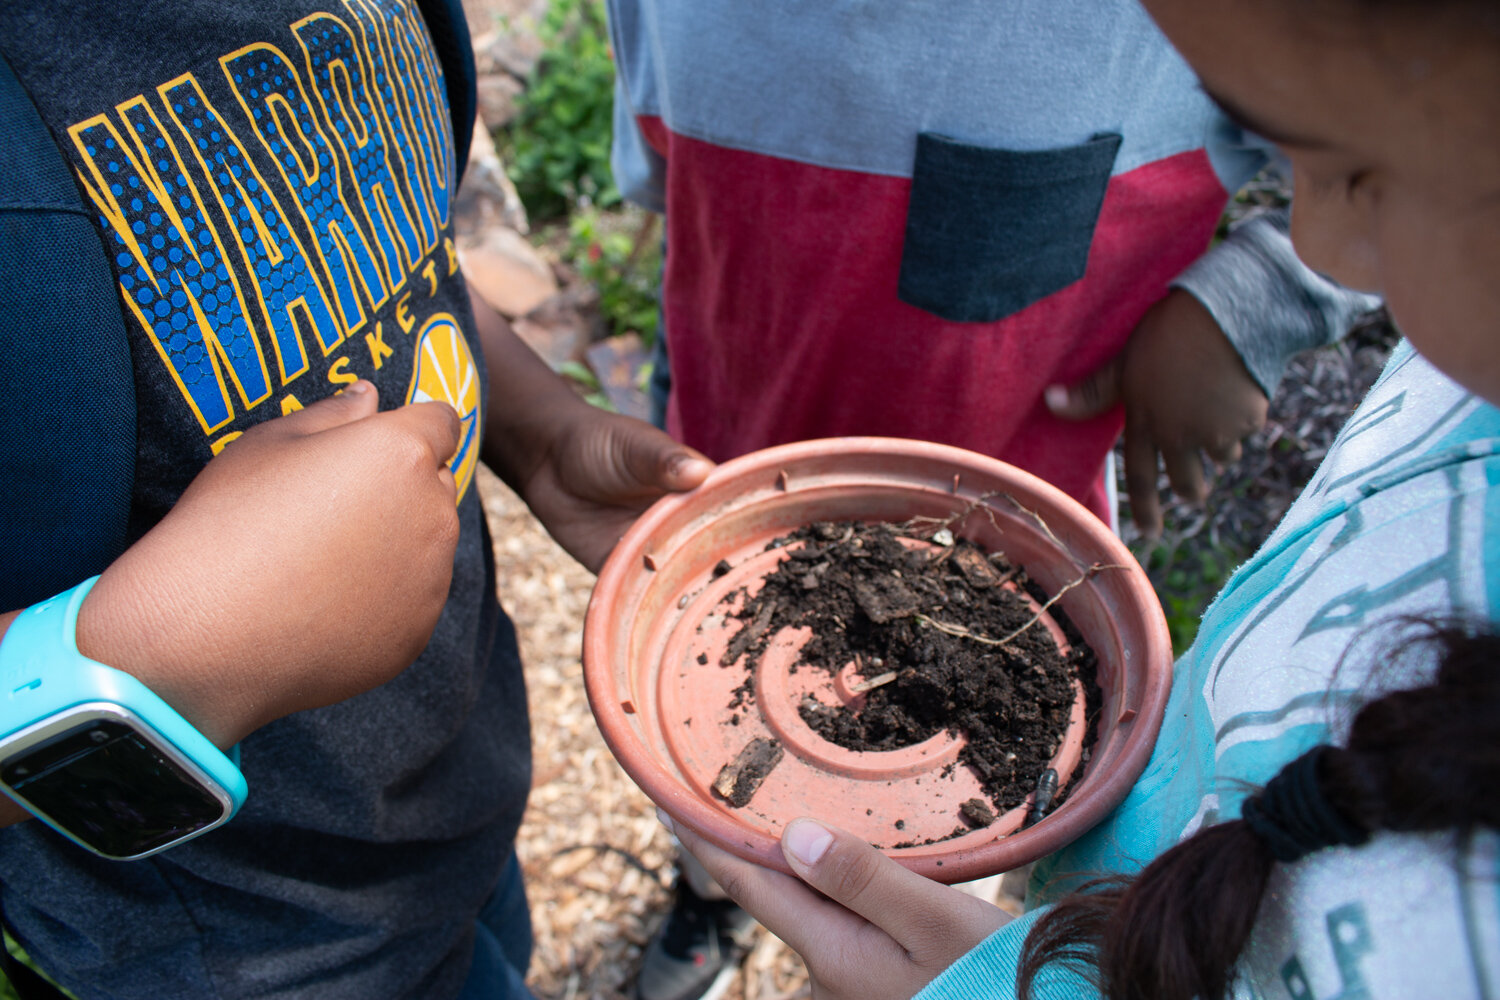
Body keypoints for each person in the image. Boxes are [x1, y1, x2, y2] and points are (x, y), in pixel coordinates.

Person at [669, 0, 1500, 997]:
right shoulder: (1451, 400)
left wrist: (1001, 982)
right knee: (715, 770)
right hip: (736, 434)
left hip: (1033, 527)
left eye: (1350, 167)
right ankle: (703, 888)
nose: (1317, 227)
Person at [0, 2, 710, 998]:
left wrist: (540, 431)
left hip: (457, 800)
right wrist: (153, 662)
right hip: (238, 948)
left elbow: (383, 268)